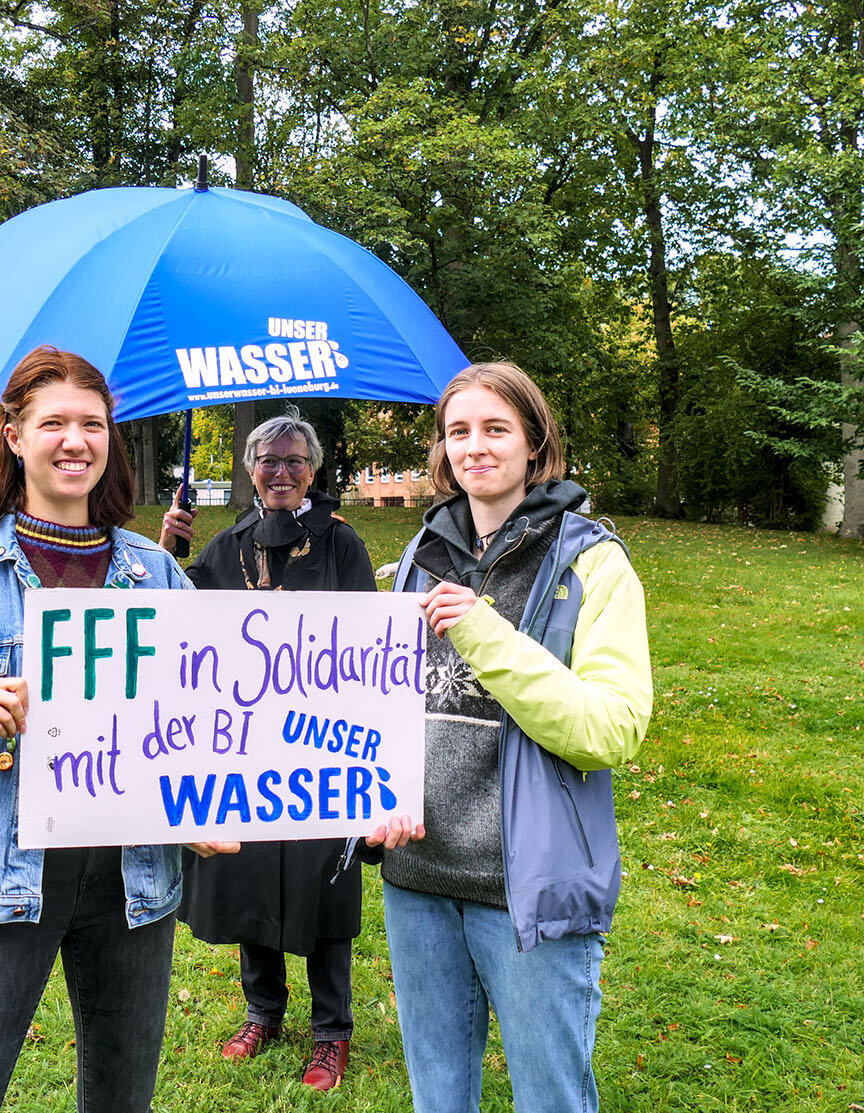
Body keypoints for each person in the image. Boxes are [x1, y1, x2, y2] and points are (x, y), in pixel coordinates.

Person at [0, 346, 237, 1113]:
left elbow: (197, 715)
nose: (76, 440)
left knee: (121, 1099)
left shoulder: (157, 574)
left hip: (131, 881)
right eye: (54, 422)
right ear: (14, 436)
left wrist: (197, 799)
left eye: (93, 424)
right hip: (1, 878)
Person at [364, 362, 652, 1113]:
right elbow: (377, 711)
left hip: (525, 892)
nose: (476, 447)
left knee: (551, 1098)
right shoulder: (419, 558)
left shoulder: (593, 562)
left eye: (496, 428)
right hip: (418, 880)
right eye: (459, 431)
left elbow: (610, 728)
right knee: (438, 1097)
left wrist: (484, 631)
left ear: (536, 444)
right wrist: (369, 795)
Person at [159, 408, 375, 1090]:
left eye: (294, 461)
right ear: (251, 470)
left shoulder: (341, 545)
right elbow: (178, 621)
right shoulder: (228, 546)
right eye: (268, 461)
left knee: (323, 884)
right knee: (250, 874)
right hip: (246, 743)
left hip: (322, 745)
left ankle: (331, 1032)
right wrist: (168, 550)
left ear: (312, 470)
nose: (281, 472)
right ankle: (263, 1011)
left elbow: (367, 641)